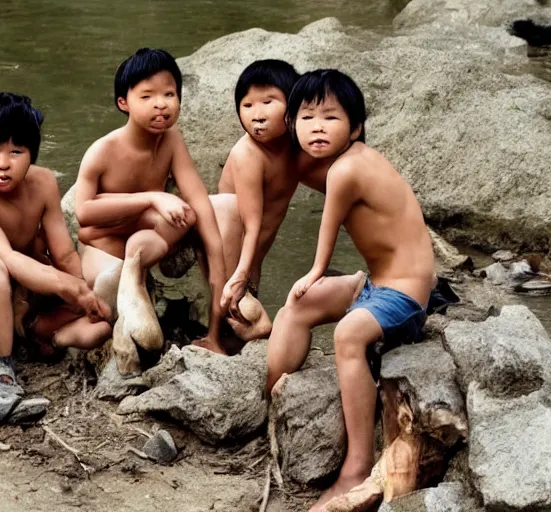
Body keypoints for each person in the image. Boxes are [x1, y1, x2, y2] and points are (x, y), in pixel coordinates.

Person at [263, 70, 435, 511]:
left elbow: (328, 232)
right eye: (306, 117)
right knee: (297, 307)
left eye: (330, 117)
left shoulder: (349, 168)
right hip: (376, 281)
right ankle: (272, 403)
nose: (317, 126)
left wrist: (315, 272)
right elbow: (288, 163)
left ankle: (355, 467)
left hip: (407, 292)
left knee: (346, 334)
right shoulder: (343, 160)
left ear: (355, 127)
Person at [74, 48, 227, 375]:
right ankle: (126, 323)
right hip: (102, 249)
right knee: (110, 280)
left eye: (169, 94)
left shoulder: (171, 140)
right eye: (147, 96)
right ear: (123, 103)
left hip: (144, 242)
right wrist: (151, 198)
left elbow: (197, 197)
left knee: (192, 213)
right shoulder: (104, 150)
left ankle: (140, 276)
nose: (161, 103)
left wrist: (217, 258)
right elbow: (84, 215)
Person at [0, 92, 112, 396]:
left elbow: (63, 252)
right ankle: (4, 365)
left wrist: (87, 290)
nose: (3, 164)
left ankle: (43, 337)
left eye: (16, 151)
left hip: (32, 289)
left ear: (32, 154)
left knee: (104, 322)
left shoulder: (43, 183)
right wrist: (69, 287)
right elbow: (8, 259)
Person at [202, 59, 303, 353]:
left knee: (245, 318)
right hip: (229, 242)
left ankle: (234, 334)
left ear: (292, 106)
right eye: (247, 106)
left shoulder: (296, 147)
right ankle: (213, 338)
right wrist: (241, 274)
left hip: (253, 252)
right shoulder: (248, 153)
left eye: (268, 102)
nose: (257, 115)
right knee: (233, 300)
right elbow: (251, 221)